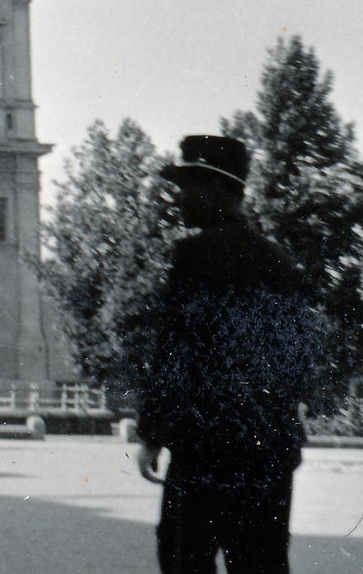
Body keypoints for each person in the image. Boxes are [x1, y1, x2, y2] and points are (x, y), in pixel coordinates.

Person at [133, 135, 326, 574]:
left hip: (206, 446)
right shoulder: (280, 262)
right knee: (262, 562)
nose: (179, 197)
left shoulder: (193, 256)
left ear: (218, 190)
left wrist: (151, 433)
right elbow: (301, 355)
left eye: (188, 185)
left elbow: (175, 353)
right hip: (268, 448)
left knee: (185, 557)